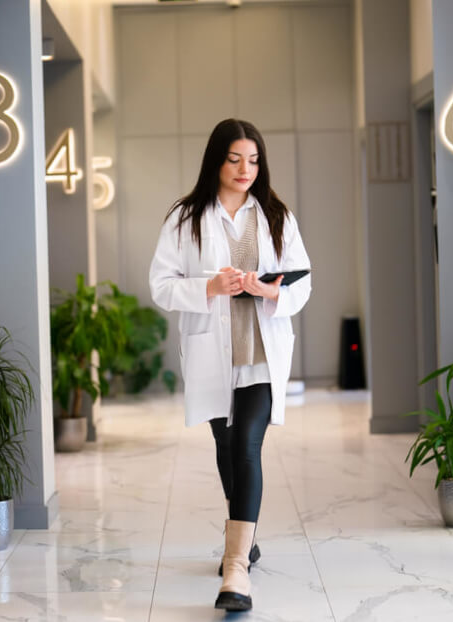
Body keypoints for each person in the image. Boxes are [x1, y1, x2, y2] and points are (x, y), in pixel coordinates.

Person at [149, 118, 311, 612]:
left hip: (261, 353)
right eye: (235, 158)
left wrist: (270, 289)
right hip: (214, 354)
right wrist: (209, 287)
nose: (245, 169)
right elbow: (160, 284)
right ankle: (246, 534)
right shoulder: (185, 216)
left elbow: (303, 285)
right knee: (225, 446)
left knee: (246, 445)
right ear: (217, 160)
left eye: (254, 160)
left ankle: (236, 570)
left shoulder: (276, 215)